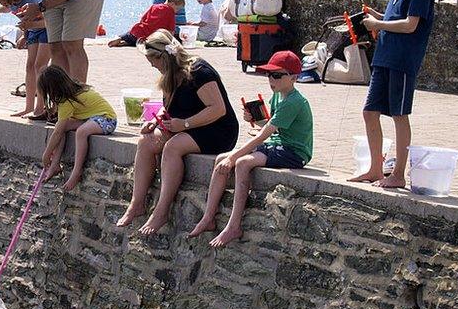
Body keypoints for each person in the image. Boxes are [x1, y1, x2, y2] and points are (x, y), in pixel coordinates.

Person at [116, 30, 239, 234]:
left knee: (173, 147)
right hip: (186, 125)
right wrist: (156, 122)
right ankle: (137, 203)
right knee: (146, 141)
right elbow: (171, 106)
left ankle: (161, 211)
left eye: (152, 61)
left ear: (163, 57)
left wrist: (186, 124)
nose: (152, 65)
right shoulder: (169, 74)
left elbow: (218, 109)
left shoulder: (199, 72)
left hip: (217, 129)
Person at [190, 51, 313, 247]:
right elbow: (272, 125)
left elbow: (264, 135)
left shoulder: (293, 101)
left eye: (277, 75)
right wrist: (257, 120)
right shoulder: (278, 96)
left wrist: (234, 156)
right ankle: (208, 216)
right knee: (221, 158)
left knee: (241, 162)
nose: (271, 79)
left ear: (294, 77)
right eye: (269, 75)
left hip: (294, 152)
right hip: (278, 144)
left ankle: (233, 225)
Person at [349, 0, 435, 189]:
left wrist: (379, 23)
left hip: (403, 60)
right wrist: (376, 17)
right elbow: (394, 15)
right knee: (369, 111)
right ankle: (376, 168)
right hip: (384, 56)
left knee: (399, 114)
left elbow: (410, 25)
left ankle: (398, 174)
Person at [37, 65, 116, 191]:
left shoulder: (67, 101)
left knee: (81, 132)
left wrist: (46, 154)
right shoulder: (71, 92)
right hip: (89, 118)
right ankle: (55, 165)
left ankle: (76, 172)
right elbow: (60, 129)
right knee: (62, 126)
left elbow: (57, 134)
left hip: (106, 119)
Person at [0, 0, 50, 118]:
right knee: (30, 66)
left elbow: (50, 21)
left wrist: (29, 26)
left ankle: (40, 108)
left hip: (47, 29)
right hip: (32, 30)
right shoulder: (10, 2)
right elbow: (6, 9)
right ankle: (28, 107)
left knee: (40, 66)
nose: (3, 3)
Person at [108, 0, 185, 47]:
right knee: (148, 43)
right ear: (172, 4)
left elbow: (143, 19)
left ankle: (120, 38)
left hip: (138, 31)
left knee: (129, 35)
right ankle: (127, 42)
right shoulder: (171, 12)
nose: (177, 11)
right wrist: (171, 42)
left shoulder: (154, 6)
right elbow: (171, 31)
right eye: (177, 8)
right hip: (149, 38)